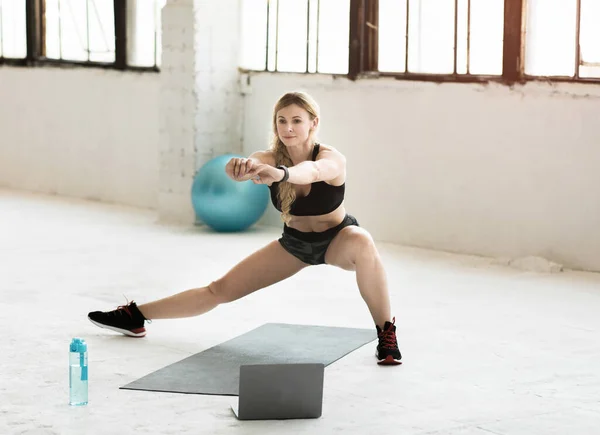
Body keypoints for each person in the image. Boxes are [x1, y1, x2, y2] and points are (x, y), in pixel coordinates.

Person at [88, 91, 402, 365]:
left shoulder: (332, 158)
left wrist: (280, 174)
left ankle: (386, 334)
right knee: (218, 290)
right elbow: (242, 164)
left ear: (313, 123)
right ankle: (136, 316)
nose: (288, 128)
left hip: (336, 240)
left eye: (296, 120)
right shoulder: (267, 157)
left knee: (362, 240)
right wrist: (236, 169)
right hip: (294, 244)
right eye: (281, 121)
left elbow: (312, 171)